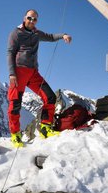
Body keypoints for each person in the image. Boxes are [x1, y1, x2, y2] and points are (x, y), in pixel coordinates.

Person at [7, 9, 72, 148]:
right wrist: (12, 74)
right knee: (15, 104)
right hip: (19, 72)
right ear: (24, 18)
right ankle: (15, 135)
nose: (32, 21)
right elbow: (10, 53)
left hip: (33, 73)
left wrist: (63, 35)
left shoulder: (36, 33)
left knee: (50, 97)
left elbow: (50, 36)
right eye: (30, 18)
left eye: (34, 19)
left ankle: (45, 128)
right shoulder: (16, 33)